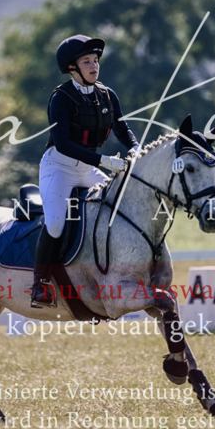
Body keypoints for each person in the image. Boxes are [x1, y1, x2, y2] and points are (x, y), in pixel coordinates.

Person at [30, 34, 140, 308]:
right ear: (72, 68)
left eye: (96, 61)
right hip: (59, 167)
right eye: (87, 61)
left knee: (119, 209)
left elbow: (122, 128)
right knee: (55, 222)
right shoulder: (61, 98)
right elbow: (65, 144)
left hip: (90, 167)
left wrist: (136, 147)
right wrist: (102, 160)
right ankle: (39, 285)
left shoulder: (107, 94)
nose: (94, 67)